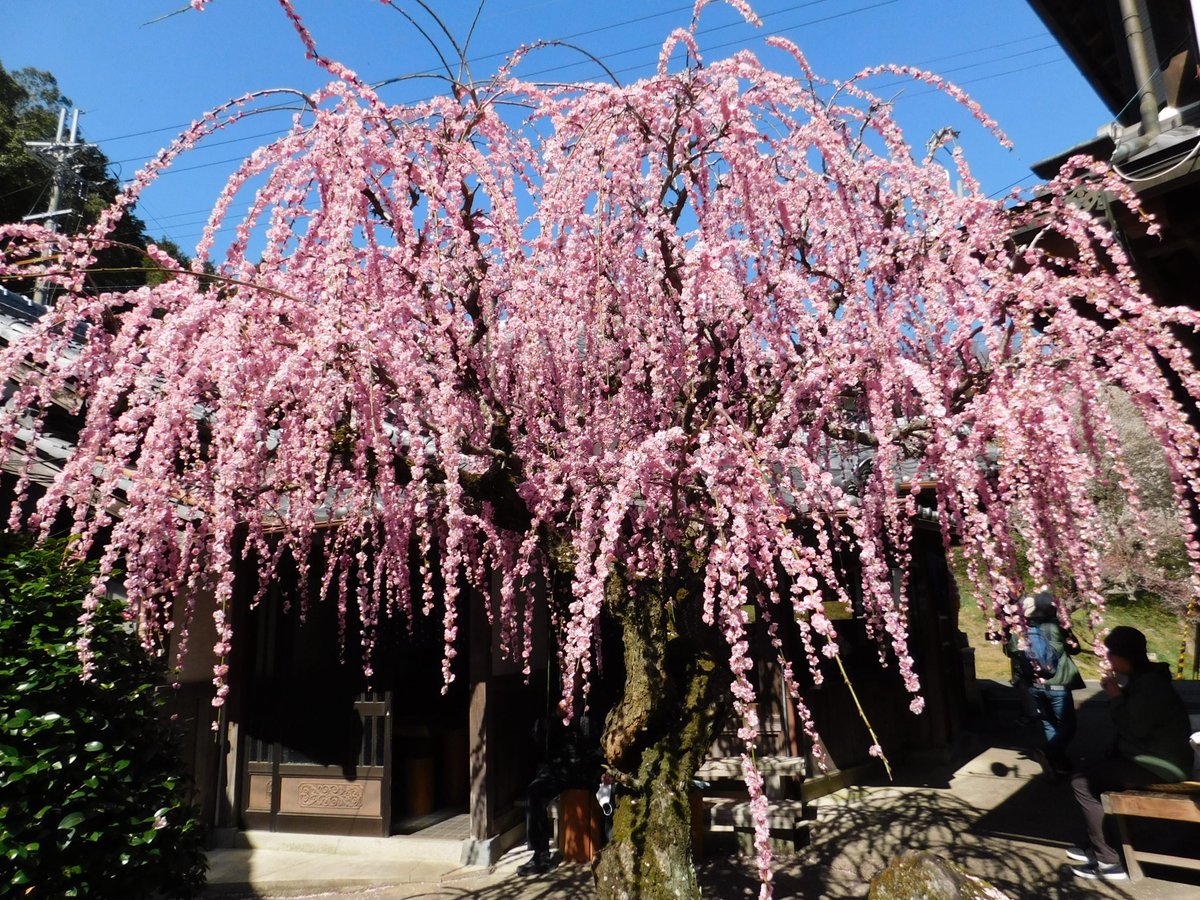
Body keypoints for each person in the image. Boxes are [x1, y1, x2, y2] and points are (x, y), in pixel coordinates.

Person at [1068, 626, 1194, 881]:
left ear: (1125, 657)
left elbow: (1134, 728)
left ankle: (1109, 861)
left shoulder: (1150, 686)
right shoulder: (1146, 680)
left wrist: (1115, 697)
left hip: (1162, 764)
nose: (1110, 660)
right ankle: (1098, 846)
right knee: (1094, 770)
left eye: (1112, 654)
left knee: (1082, 783)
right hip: (1156, 757)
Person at [1006, 592, 1085, 780]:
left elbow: (1011, 651)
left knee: (1049, 723)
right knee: (1068, 726)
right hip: (1058, 684)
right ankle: (1049, 752)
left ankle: (1058, 762)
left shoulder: (1020, 630)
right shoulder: (1057, 627)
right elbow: (1076, 648)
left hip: (1034, 684)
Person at [517, 711, 604, 876]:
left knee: (611, 794)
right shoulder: (556, 701)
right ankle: (540, 855)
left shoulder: (596, 696)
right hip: (561, 767)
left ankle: (609, 847)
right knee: (535, 792)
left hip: (589, 766)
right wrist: (555, 716)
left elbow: (604, 740)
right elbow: (539, 737)